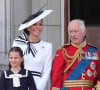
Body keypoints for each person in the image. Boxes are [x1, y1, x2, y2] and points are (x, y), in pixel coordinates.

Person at [50, 19, 100, 90]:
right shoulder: (63, 51)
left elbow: (98, 76)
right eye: (71, 32)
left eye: (76, 31)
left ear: (84, 32)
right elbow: (56, 77)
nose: (73, 35)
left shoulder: (94, 51)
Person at [12, 10, 53, 90]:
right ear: (28, 27)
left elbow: (47, 70)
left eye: (40, 24)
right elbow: (13, 64)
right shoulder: (18, 43)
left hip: (37, 84)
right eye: (35, 24)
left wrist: (39, 87)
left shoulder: (47, 46)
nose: (38, 27)